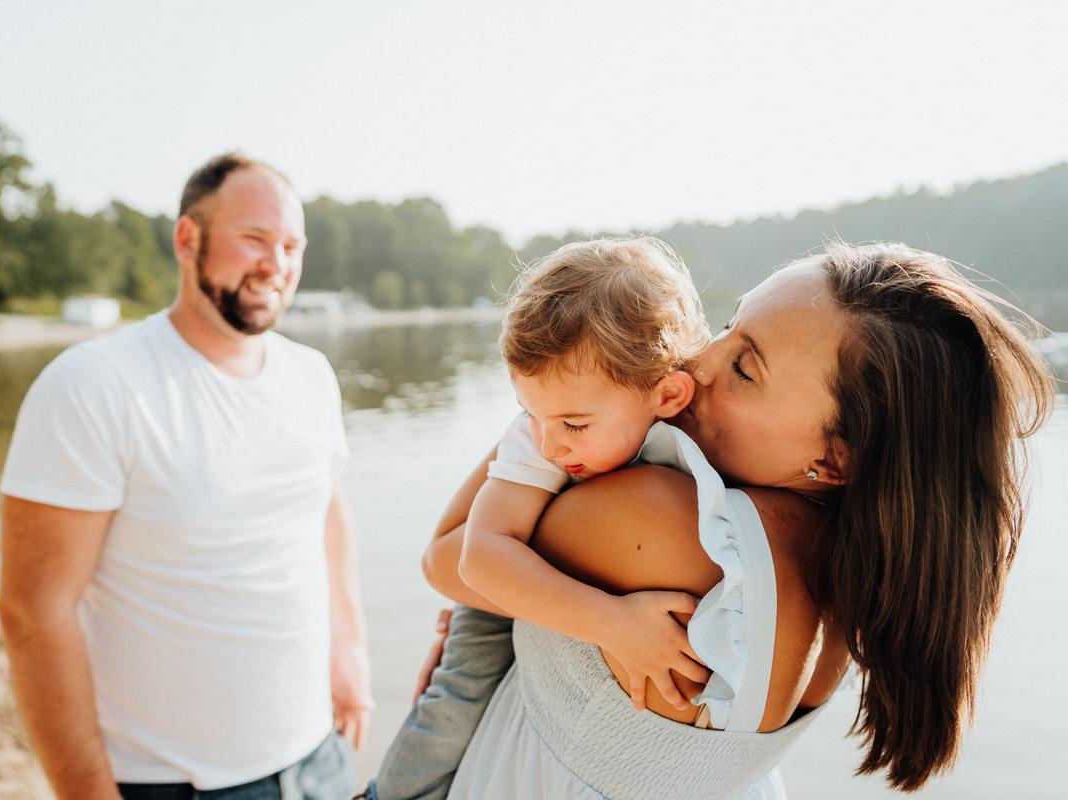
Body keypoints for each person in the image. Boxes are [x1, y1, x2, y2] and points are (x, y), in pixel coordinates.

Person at [411, 242, 1054, 797]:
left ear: (836, 457)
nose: (696, 364)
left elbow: (449, 557)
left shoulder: (660, 518)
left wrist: (538, 419)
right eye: (726, 326)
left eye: (745, 367)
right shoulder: (858, 576)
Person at [0, 153, 371, 800]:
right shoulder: (95, 386)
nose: (275, 263)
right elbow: (33, 612)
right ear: (186, 239)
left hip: (318, 761)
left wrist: (350, 652)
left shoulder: (310, 377)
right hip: (171, 783)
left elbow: (325, 514)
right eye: (254, 238)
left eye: (290, 245)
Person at [367, 237, 712, 800]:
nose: (550, 445)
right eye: (531, 413)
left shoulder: (696, 431)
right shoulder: (540, 435)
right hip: (509, 578)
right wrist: (612, 623)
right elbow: (481, 555)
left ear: (668, 393)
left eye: (573, 425)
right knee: (454, 699)